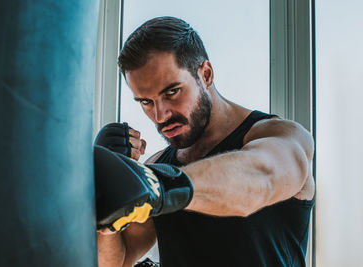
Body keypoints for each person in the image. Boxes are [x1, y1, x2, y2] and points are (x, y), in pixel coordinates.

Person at [95, 16, 315, 267]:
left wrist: (160, 186)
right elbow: (117, 260)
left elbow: (260, 179)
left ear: (206, 74)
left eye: (171, 92)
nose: (160, 115)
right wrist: (104, 205)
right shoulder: (157, 167)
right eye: (146, 101)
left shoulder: (280, 136)